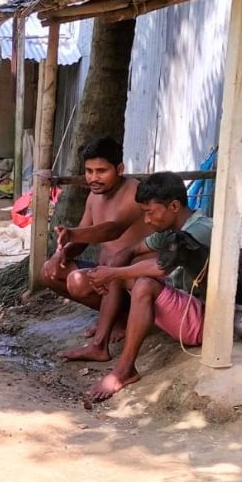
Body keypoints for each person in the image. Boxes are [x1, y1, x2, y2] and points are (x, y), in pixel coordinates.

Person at [73, 172, 213, 402]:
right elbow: (131, 250)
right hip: (182, 309)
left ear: (174, 206)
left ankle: (125, 370)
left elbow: (160, 268)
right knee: (126, 266)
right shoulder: (170, 231)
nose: (147, 221)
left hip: (204, 320)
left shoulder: (199, 230)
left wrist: (113, 273)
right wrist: (111, 273)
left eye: (150, 213)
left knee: (144, 282)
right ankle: (100, 343)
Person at [43, 139, 151, 342]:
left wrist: (72, 234)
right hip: (105, 277)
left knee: (78, 282)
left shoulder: (135, 192)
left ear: (119, 169)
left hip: (133, 280)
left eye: (101, 171)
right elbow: (83, 238)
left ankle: (125, 317)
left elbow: (113, 230)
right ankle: (113, 318)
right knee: (49, 270)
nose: (94, 178)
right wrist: (63, 253)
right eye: (89, 171)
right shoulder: (94, 197)